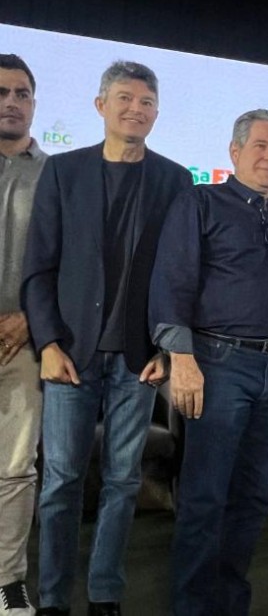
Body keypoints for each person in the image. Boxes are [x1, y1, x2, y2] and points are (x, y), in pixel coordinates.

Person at [22, 61, 192, 616]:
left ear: (156, 113)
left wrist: (167, 348)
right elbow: (38, 268)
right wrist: (48, 344)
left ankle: (104, 594)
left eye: (145, 102)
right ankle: (52, 598)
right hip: (70, 353)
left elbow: (178, 274)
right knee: (60, 482)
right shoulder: (63, 171)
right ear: (101, 106)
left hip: (139, 360)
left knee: (123, 482)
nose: (134, 110)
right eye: (124, 99)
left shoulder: (174, 180)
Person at [149, 108, 268, 616]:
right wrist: (181, 357)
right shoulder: (200, 202)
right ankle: (193, 607)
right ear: (235, 151)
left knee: (255, 497)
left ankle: (230, 602)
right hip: (217, 364)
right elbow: (173, 281)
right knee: (205, 497)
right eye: (261, 145)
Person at [0, 54, 47, 616]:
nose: (11, 102)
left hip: (23, 342)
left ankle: (7, 580)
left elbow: (68, 262)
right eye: (1, 92)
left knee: (14, 469)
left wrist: (31, 316)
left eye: (21, 93)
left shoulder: (55, 175)